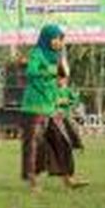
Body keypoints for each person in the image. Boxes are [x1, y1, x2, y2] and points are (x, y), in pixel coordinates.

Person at [20, 24, 88, 192]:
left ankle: (68, 178)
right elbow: (31, 71)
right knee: (34, 144)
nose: (59, 42)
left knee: (61, 141)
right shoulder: (37, 53)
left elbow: (62, 77)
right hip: (34, 106)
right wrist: (51, 70)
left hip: (50, 105)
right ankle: (32, 179)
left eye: (61, 39)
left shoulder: (56, 56)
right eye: (56, 38)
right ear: (47, 38)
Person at [56, 76, 84, 150]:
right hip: (55, 115)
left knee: (71, 129)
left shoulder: (69, 91)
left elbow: (75, 101)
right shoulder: (54, 90)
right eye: (58, 79)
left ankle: (77, 144)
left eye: (62, 79)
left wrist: (66, 102)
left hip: (66, 114)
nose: (60, 81)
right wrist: (56, 103)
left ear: (66, 80)